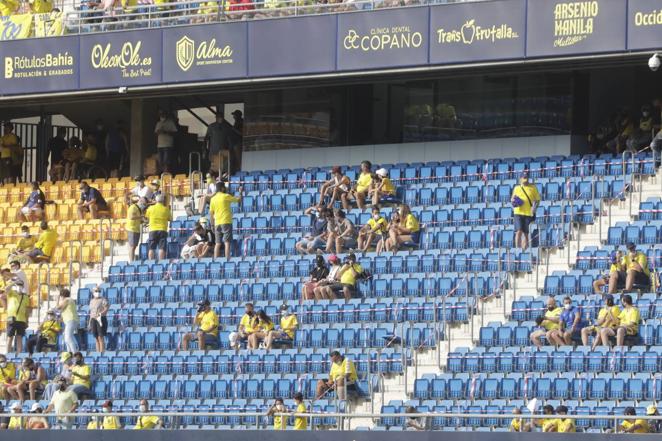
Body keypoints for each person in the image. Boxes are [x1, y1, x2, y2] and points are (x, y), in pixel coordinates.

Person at [209, 182, 241, 259]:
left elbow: (211, 214)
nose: (226, 189)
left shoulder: (212, 199)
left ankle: (216, 260)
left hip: (217, 223)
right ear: (222, 188)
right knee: (227, 242)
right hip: (226, 221)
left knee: (217, 243)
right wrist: (240, 192)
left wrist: (212, 225)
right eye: (225, 187)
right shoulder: (225, 196)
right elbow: (238, 200)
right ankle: (227, 260)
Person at [511, 172, 540, 250]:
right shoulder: (517, 188)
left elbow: (537, 199)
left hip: (528, 213)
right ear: (520, 179)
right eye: (524, 179)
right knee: (519, 231)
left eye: (526, 178)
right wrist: (514, 202)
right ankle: (518, 250)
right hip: (518, 212)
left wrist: (534, 207)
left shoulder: (533, 187)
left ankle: (524, 250)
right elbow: (512, 199)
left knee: (526, 233)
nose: (525, 180)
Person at [0, 274, 29, 353]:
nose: (19, 286)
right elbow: (6, 288)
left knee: (19, 337)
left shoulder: (25, 297)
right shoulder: (12, 293)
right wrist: (14, 282)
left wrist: (27, 321)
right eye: (18, 285)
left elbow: (26, 310)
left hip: (21, 319)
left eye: (21, 285)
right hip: (12, 318)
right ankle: (8, 353)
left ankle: (19, 354)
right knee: (10, 336)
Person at [145, 194, 171, 260]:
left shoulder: (150, 208)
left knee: (151, 248)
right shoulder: (166, 209)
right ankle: (161, 262)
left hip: (152, 230)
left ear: (156, 200)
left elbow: (146, 217)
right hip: (162, 230)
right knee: (161, 248)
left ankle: (151, 262)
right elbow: (170, 219)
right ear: (163, 201)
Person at [89, 286, 110, 352]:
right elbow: (91, 312)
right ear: (93, 292)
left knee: (100, 337)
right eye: (96, 291)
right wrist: (89, 322)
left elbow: (106, 308)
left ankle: (101, 352)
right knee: (96, 337)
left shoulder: (103, 299)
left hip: (100, 319)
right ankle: (97, 352)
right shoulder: (91, 301)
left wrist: (101, 313)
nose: (97, 292)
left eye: (99, 291)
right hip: (93, 319)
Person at [126, 196, 146, 263]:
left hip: (136, 229)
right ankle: (131, 261)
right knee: (132, 246)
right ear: (140, 201)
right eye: (143, 203)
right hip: (132, 228)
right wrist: (141, 216)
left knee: (134, 246)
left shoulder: (138, 209)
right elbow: (131, 217)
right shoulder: (133, 207)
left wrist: (143, 221)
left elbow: (138, 219)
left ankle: (132, 259)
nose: (144, 205)